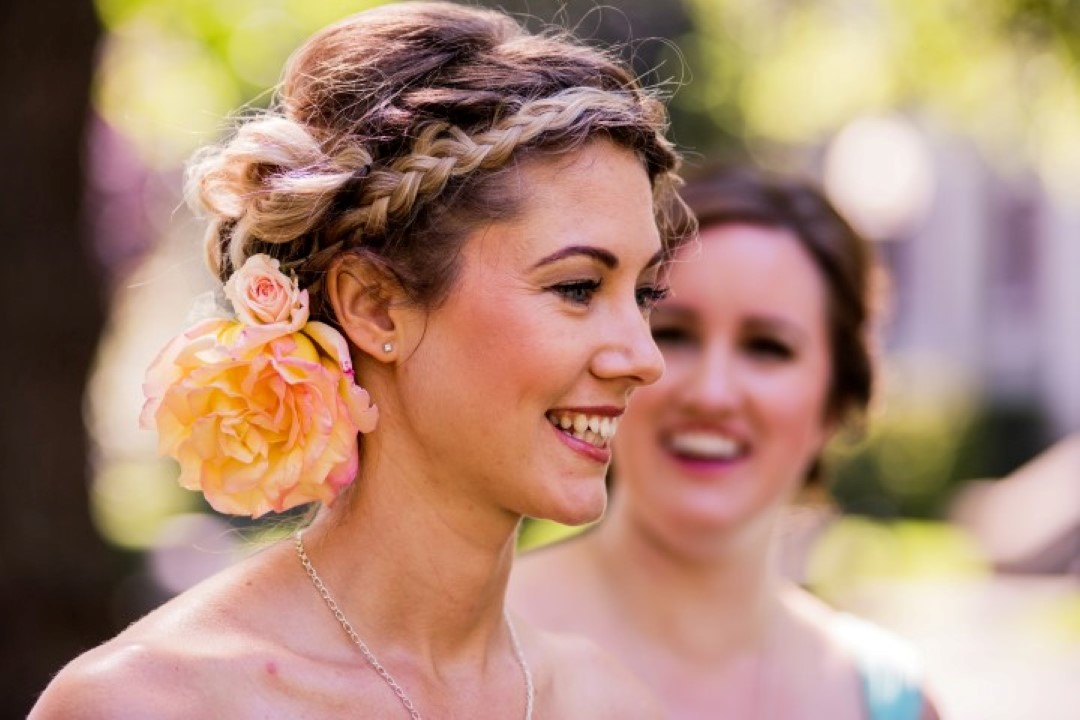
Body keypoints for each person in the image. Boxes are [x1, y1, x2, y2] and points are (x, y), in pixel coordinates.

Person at [30, 3, 693, 717]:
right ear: (374, 307)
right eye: (578, 288)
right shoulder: (153, 703)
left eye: (644, 295)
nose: (643, 358)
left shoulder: (608, 702)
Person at [509, 167, 942, 720]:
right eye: (674, 334)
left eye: (767, 347)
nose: (711, 394)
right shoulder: (468, 650)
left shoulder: (886, 699)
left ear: (836, 400)